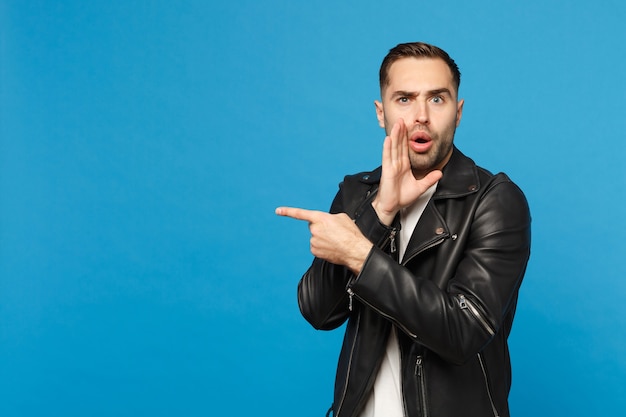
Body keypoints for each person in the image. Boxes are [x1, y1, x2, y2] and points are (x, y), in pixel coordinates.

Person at [276, 42, 531, 417]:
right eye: (405, 99)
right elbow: (319, 311)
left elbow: (462, 331)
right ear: (381, 113)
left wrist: (360, 255)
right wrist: (379, 212)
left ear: (458, 112)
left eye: (437, 99)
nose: (421, 116)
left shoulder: (495, 201)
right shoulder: (357, 194)